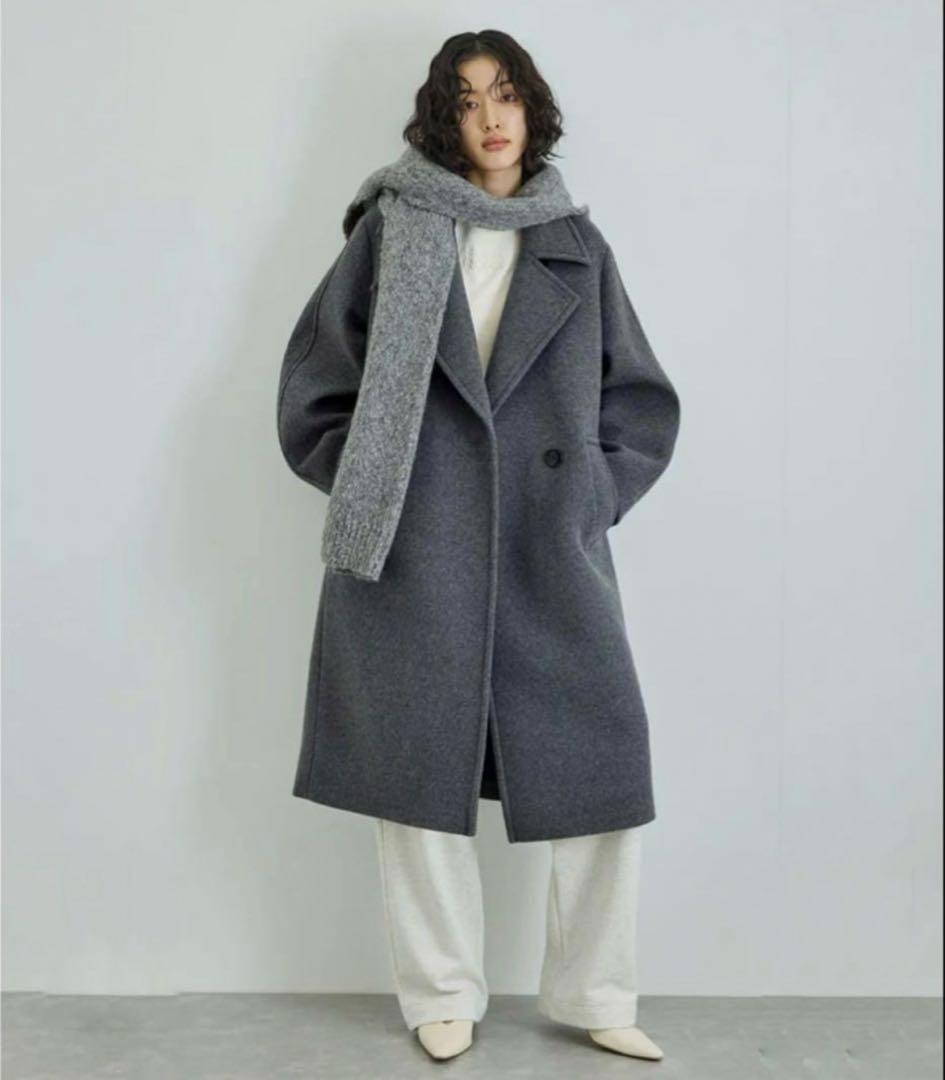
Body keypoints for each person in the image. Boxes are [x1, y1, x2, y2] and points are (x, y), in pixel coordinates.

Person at [277, 28, 680, 1062]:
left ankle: (597, 993)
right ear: (441, 120)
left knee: (601, 767)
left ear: (531, 107)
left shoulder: (576, 243)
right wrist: (383, 485)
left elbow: (639, 402)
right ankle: (440, 994)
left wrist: (589, 496)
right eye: (465, 101)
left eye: (504, 94)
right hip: (416, 548)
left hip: (550, 545)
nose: (490, 117)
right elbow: (315, 390)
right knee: (417, 778)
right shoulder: (393, 229)